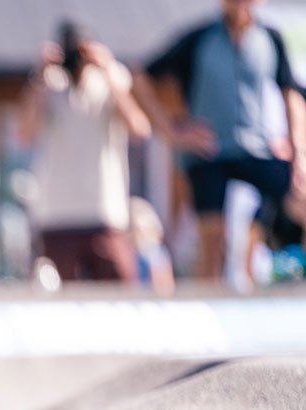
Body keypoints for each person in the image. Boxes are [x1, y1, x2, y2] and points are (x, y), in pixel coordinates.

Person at [134, 0, 306, 281]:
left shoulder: (269, 39)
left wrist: (298, 154)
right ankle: (210, 295)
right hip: (209, 151)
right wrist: (171, 131)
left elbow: (291, 94)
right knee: (212, 241)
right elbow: (141, 78)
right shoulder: (200, 38)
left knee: (300, 199)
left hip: (255, 148)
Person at [17, 23, 151, 283]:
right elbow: (24, 135)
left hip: (103, 211)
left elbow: (139, 129)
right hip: (56, 214)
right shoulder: (47, 84)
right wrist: (39, 77)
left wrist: (106, 68)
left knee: (119, 289)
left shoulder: (110, 80)